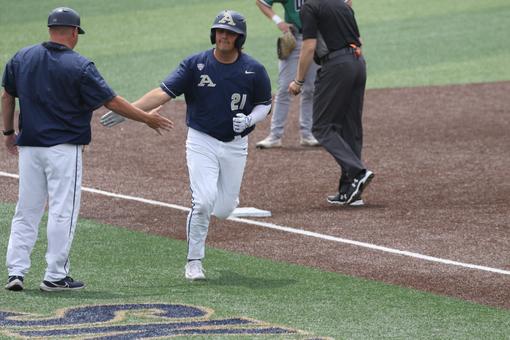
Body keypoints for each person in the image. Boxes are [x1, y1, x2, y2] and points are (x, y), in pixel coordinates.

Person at [1, 7, 173, 292]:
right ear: (72, 33)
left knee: (26, 210)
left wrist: (8, 133)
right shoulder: (79, 65)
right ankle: (55, 275)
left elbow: (7, 96)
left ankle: (16, 272)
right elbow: (113, 102)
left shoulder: (22, 57)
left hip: (29, 148)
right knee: (62, 211)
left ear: (50, 29)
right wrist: (147, 118)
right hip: (63, 150)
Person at [100, 10, 272, 280]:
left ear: (240, 37)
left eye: (230, 33)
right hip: (201, 139)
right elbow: (162, 92)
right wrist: (128, 111)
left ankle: (223, 201)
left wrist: (250, 118)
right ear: (213, 33)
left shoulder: (254, 69)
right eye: (220, 31)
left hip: (236, 144)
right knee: (202, 202)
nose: (223, 37)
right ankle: (194, 261)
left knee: (224, 210)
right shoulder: (196, 64)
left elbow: (265, 103)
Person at [288, 0, 374, 205]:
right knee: (350, 127)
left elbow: (309, 46)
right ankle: (349, 190)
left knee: (321, 127)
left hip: (336, 67)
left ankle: (357, 171)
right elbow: (357, 38)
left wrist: (298, 80)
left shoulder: (310, 6)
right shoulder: (342, 5)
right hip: (358, 62)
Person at [254, 0, 319, 149]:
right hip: (295, 38)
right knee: (284, 88)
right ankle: (275, 136)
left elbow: (346, 2)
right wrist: (279, 22)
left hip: (316, 39)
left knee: (311, 88)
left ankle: (307, 134)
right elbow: (262, 2)